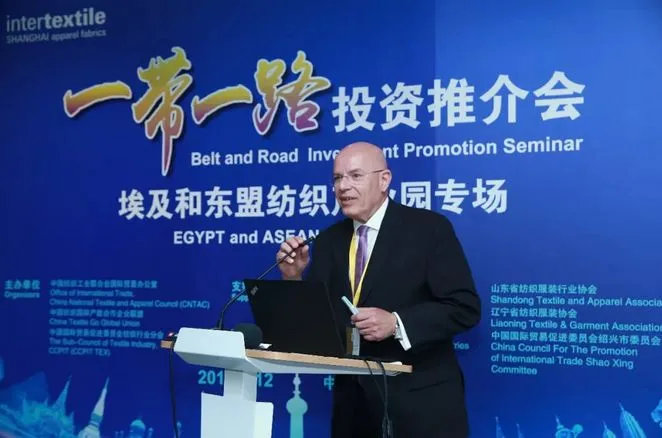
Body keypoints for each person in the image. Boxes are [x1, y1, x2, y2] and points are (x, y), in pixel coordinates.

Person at [276, 141, 481, 438]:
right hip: (353, 408)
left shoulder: (428, 229)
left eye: (355, 176)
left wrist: (396, 323)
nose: (343, 186)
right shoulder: (330, 240)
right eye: (337, 178)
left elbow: (465, 308)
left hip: (421, 405)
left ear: (384, 180)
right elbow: (313, 327)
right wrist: (293, 278)